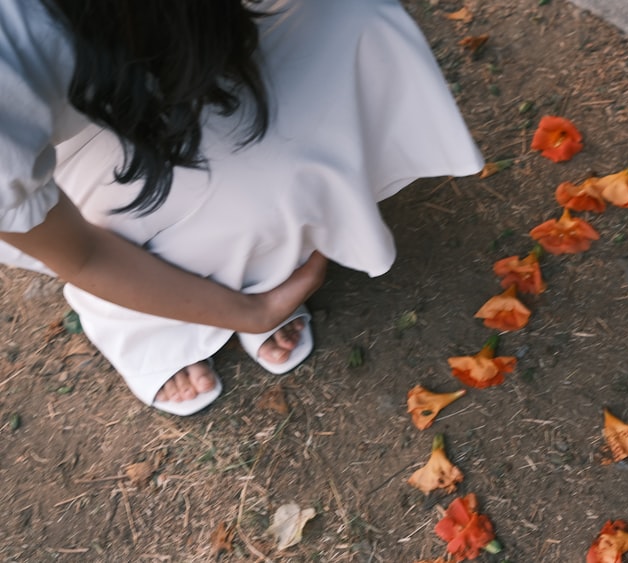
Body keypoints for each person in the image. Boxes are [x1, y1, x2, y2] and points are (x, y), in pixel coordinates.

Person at [0, 0, 483, 415]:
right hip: (59, 145)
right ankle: (154, 313)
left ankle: (255, 249)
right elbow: (81, 254)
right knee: (208, 199)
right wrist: (250, 310)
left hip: (171, 42)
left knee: (353, 19)